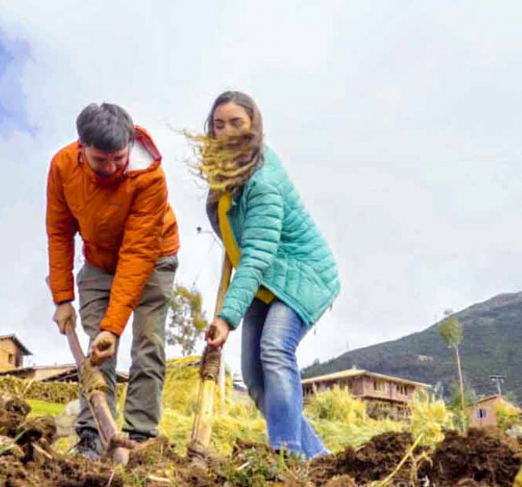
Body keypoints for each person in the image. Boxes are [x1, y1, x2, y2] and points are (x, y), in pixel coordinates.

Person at [194, 91, 340, 459]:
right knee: (255, 380)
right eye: (219, 125)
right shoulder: (226, 179)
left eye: (237, 124)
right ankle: (319, 460)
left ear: (254, 127)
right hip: (266, 284)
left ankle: (285, 455)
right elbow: (239, 245)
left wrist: (227, 317)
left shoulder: (262, 181)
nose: (226, 132)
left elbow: (256, 255)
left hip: (301, 276)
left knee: (275, 349)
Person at [46, 102, 180, 458]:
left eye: (118, 159)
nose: (110, 168)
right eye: (99, 160)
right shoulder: (62, 166)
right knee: (97, 347)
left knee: (148, 342)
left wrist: (114, 326)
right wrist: (62, 298)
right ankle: (93, 435)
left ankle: (140, 437)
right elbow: (59, 231)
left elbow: (137, 255)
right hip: (99, 260)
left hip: (153, 257)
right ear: (81, 148)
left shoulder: (149, 177)